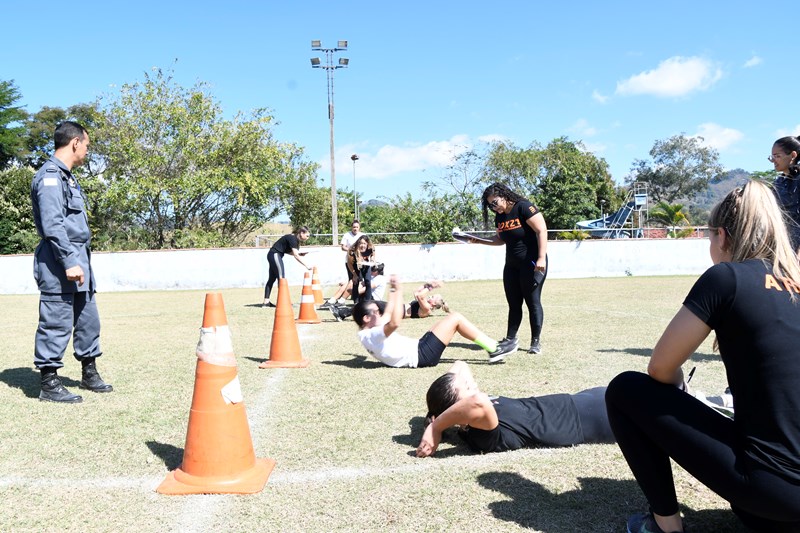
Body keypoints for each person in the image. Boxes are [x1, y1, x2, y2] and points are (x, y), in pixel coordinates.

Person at [605, 180, 800, 533]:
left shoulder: (727, 278)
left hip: (777, 489)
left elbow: (661, 367)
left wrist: (678, 387)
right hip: (779, 497)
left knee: (625, 389)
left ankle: (666, 526)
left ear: (722, 236)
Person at [30, 121, 113, 403]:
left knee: (88, 319)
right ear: (75, 143)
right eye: (87, 145)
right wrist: (68, 261)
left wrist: (79, 260)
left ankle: (89, 372)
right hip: (59, 259)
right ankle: (49, 382)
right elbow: (53, 225)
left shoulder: (68, 178)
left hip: (79, 257)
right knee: (56, 320)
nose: (87, 151)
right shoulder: (50, 177)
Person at [416, 361, 614, 457]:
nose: (472, 384)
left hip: (578, 399)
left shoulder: (470, 414)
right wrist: (436, 427)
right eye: (466, 388)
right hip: (589, 421)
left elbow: (460, 366)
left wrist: (436, 421)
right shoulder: (480, 434)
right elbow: (478, 401)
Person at [351, 275, 515, 367]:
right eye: (375, 311)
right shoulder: (372, 334)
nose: (379, 313)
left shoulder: (366, 333)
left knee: (448, 321)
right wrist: (399, 291)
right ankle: (494, 349)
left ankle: (494, 347)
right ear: (366, 318)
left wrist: (393, 288)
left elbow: (388, 313)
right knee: (455, 318)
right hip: (421, 355)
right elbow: (394, 322)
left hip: (418, 348)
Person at [468, 183, 548, 354]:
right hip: (512, 265)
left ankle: (535, 342)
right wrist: (478, 239)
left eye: (495, 202)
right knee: (513, 303)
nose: (493, 207)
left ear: (504, 195)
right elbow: (500, 239)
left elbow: (541, 230)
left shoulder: (524, 207)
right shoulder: (500, 217)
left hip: (532, 263)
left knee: (532, 302)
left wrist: (541, 257)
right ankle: (510, 339)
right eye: (490, 205)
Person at [263, 227, 312, 307]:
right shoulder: (292, 238)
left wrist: (300, 254)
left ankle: (266, 303)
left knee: (272, 279)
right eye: (307, 236)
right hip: (275, 254)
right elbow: (296, 255)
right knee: (282, 278)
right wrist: (307, 265)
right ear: (301, 233)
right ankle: (283, 302)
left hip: (273, 255)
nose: (307, 238)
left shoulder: (295, 240)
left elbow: (290, 252)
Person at [770, 136, 800, 252]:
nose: (773, 160)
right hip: (782, 247)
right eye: (772, 157)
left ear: (793, 155)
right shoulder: (778, 183)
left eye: (777, 156)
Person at [347, 235, 376, 304]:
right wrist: (354, 274)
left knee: (368, 281)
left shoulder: (371, 247)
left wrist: (372, 260)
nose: (362, 246)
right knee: (356, 281)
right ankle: (356, 302)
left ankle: (367, 302)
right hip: (354, 265)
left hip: (366, 264)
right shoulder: (352, 250)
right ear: (358, 244)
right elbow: (349, 264)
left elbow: (373, 255)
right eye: (361, 243)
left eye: (364, 243)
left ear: (367, 244)